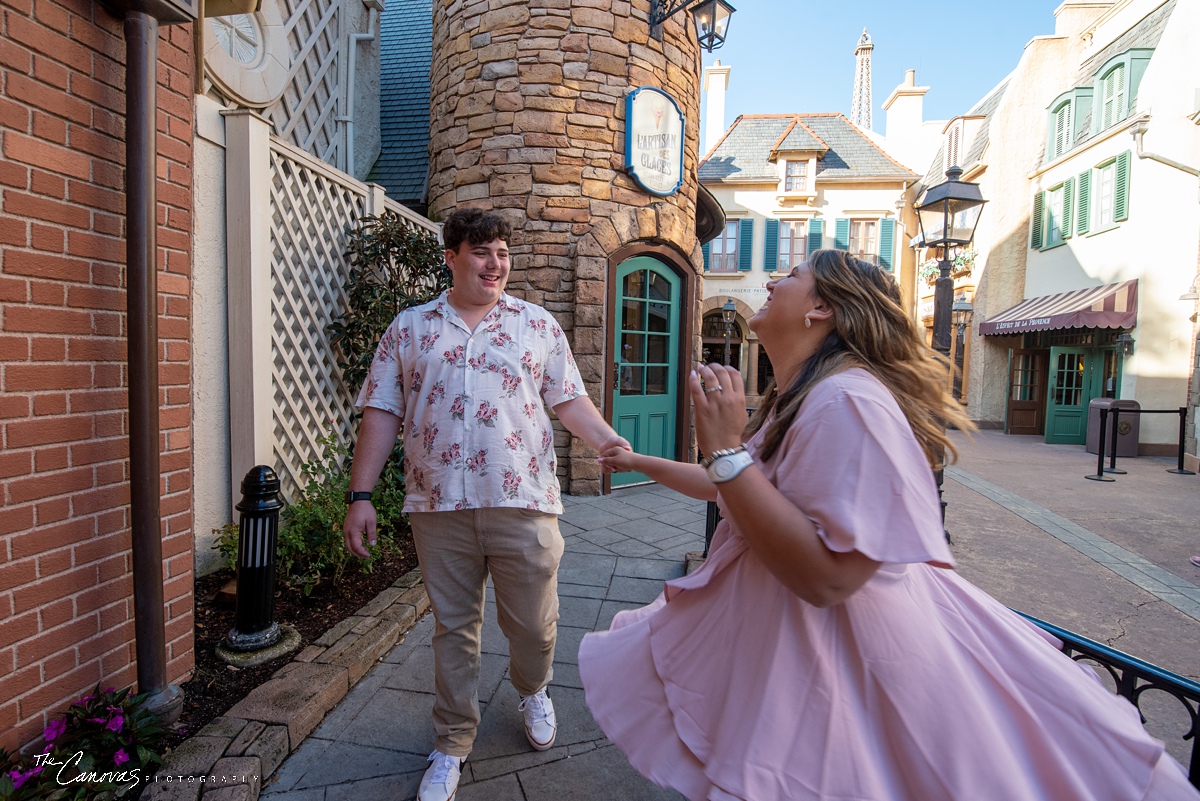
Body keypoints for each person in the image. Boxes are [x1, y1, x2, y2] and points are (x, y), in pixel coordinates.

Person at [584, 249, 1199, 801]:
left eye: (791, 274)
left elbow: (828, 577)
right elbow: (742, 491)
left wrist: (724, 449)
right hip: (789, 646)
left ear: (821, 307)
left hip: (846, 658)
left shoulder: (849, 401)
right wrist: (643, 460)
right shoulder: (806, 394)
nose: (773, 278)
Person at [343, 208, 629, 801]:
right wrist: (360, 495)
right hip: (437, 503)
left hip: (523, 500)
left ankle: (533, 687)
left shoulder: (537, 324)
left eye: (501, 252)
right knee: (454, 630)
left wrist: (605, 441)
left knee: (534, 626)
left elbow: (568, 399)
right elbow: (381, 412)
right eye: (481, 252)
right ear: (451, 257)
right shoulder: (411, 327)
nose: (495, 263)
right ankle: (450, 743)